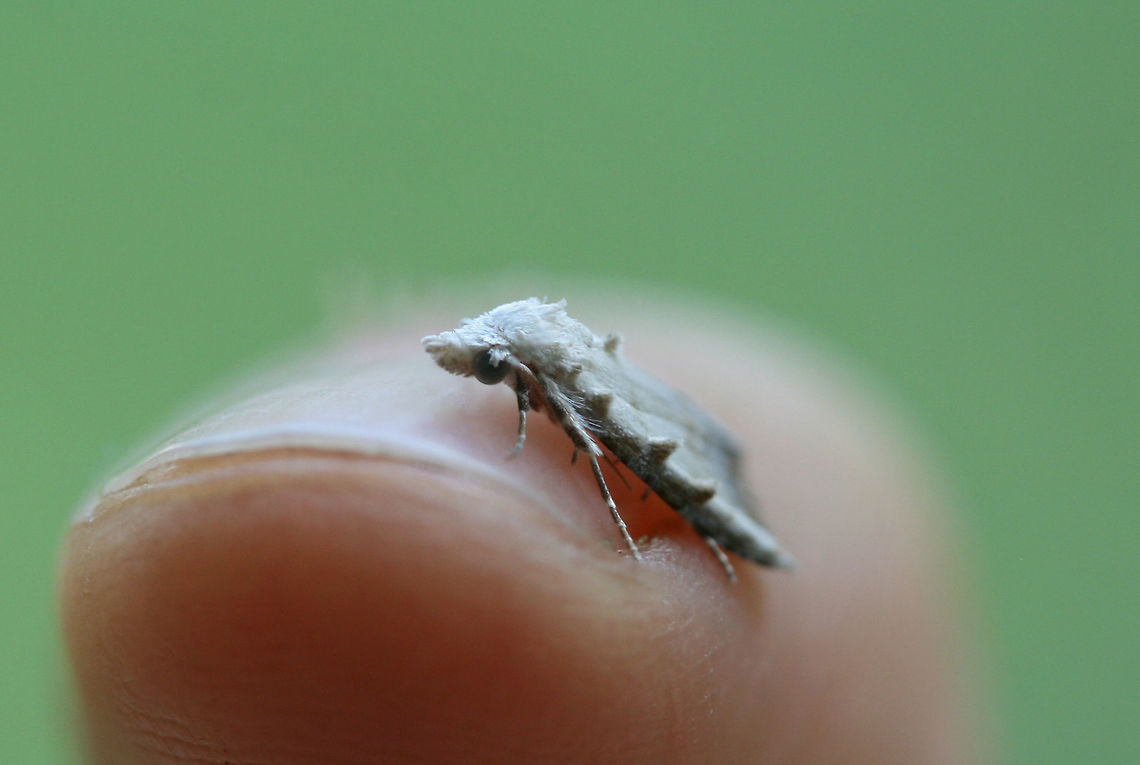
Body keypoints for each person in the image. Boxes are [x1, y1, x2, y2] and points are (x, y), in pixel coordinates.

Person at [59, 296, 983, 763]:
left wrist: (611, 496)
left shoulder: (553, 375)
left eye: (492, 369)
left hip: (691, 477)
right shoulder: (515, 351)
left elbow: (591, 422)